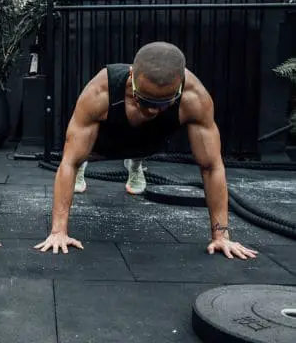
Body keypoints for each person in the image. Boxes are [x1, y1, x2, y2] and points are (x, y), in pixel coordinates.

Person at [35, 41, 258, 260]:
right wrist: (58, 232)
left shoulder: (194, 97)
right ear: (131, 77)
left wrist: (221, 235)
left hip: (151, 141)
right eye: (144, 99)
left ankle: (135, 163)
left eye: (163, 103)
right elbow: (68, 162)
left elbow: (211, 167)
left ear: (179, 85)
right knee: (78, 155)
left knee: (151, 139)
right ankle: (92, 161)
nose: (152, 109)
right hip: (103, 142)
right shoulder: (101, 91)